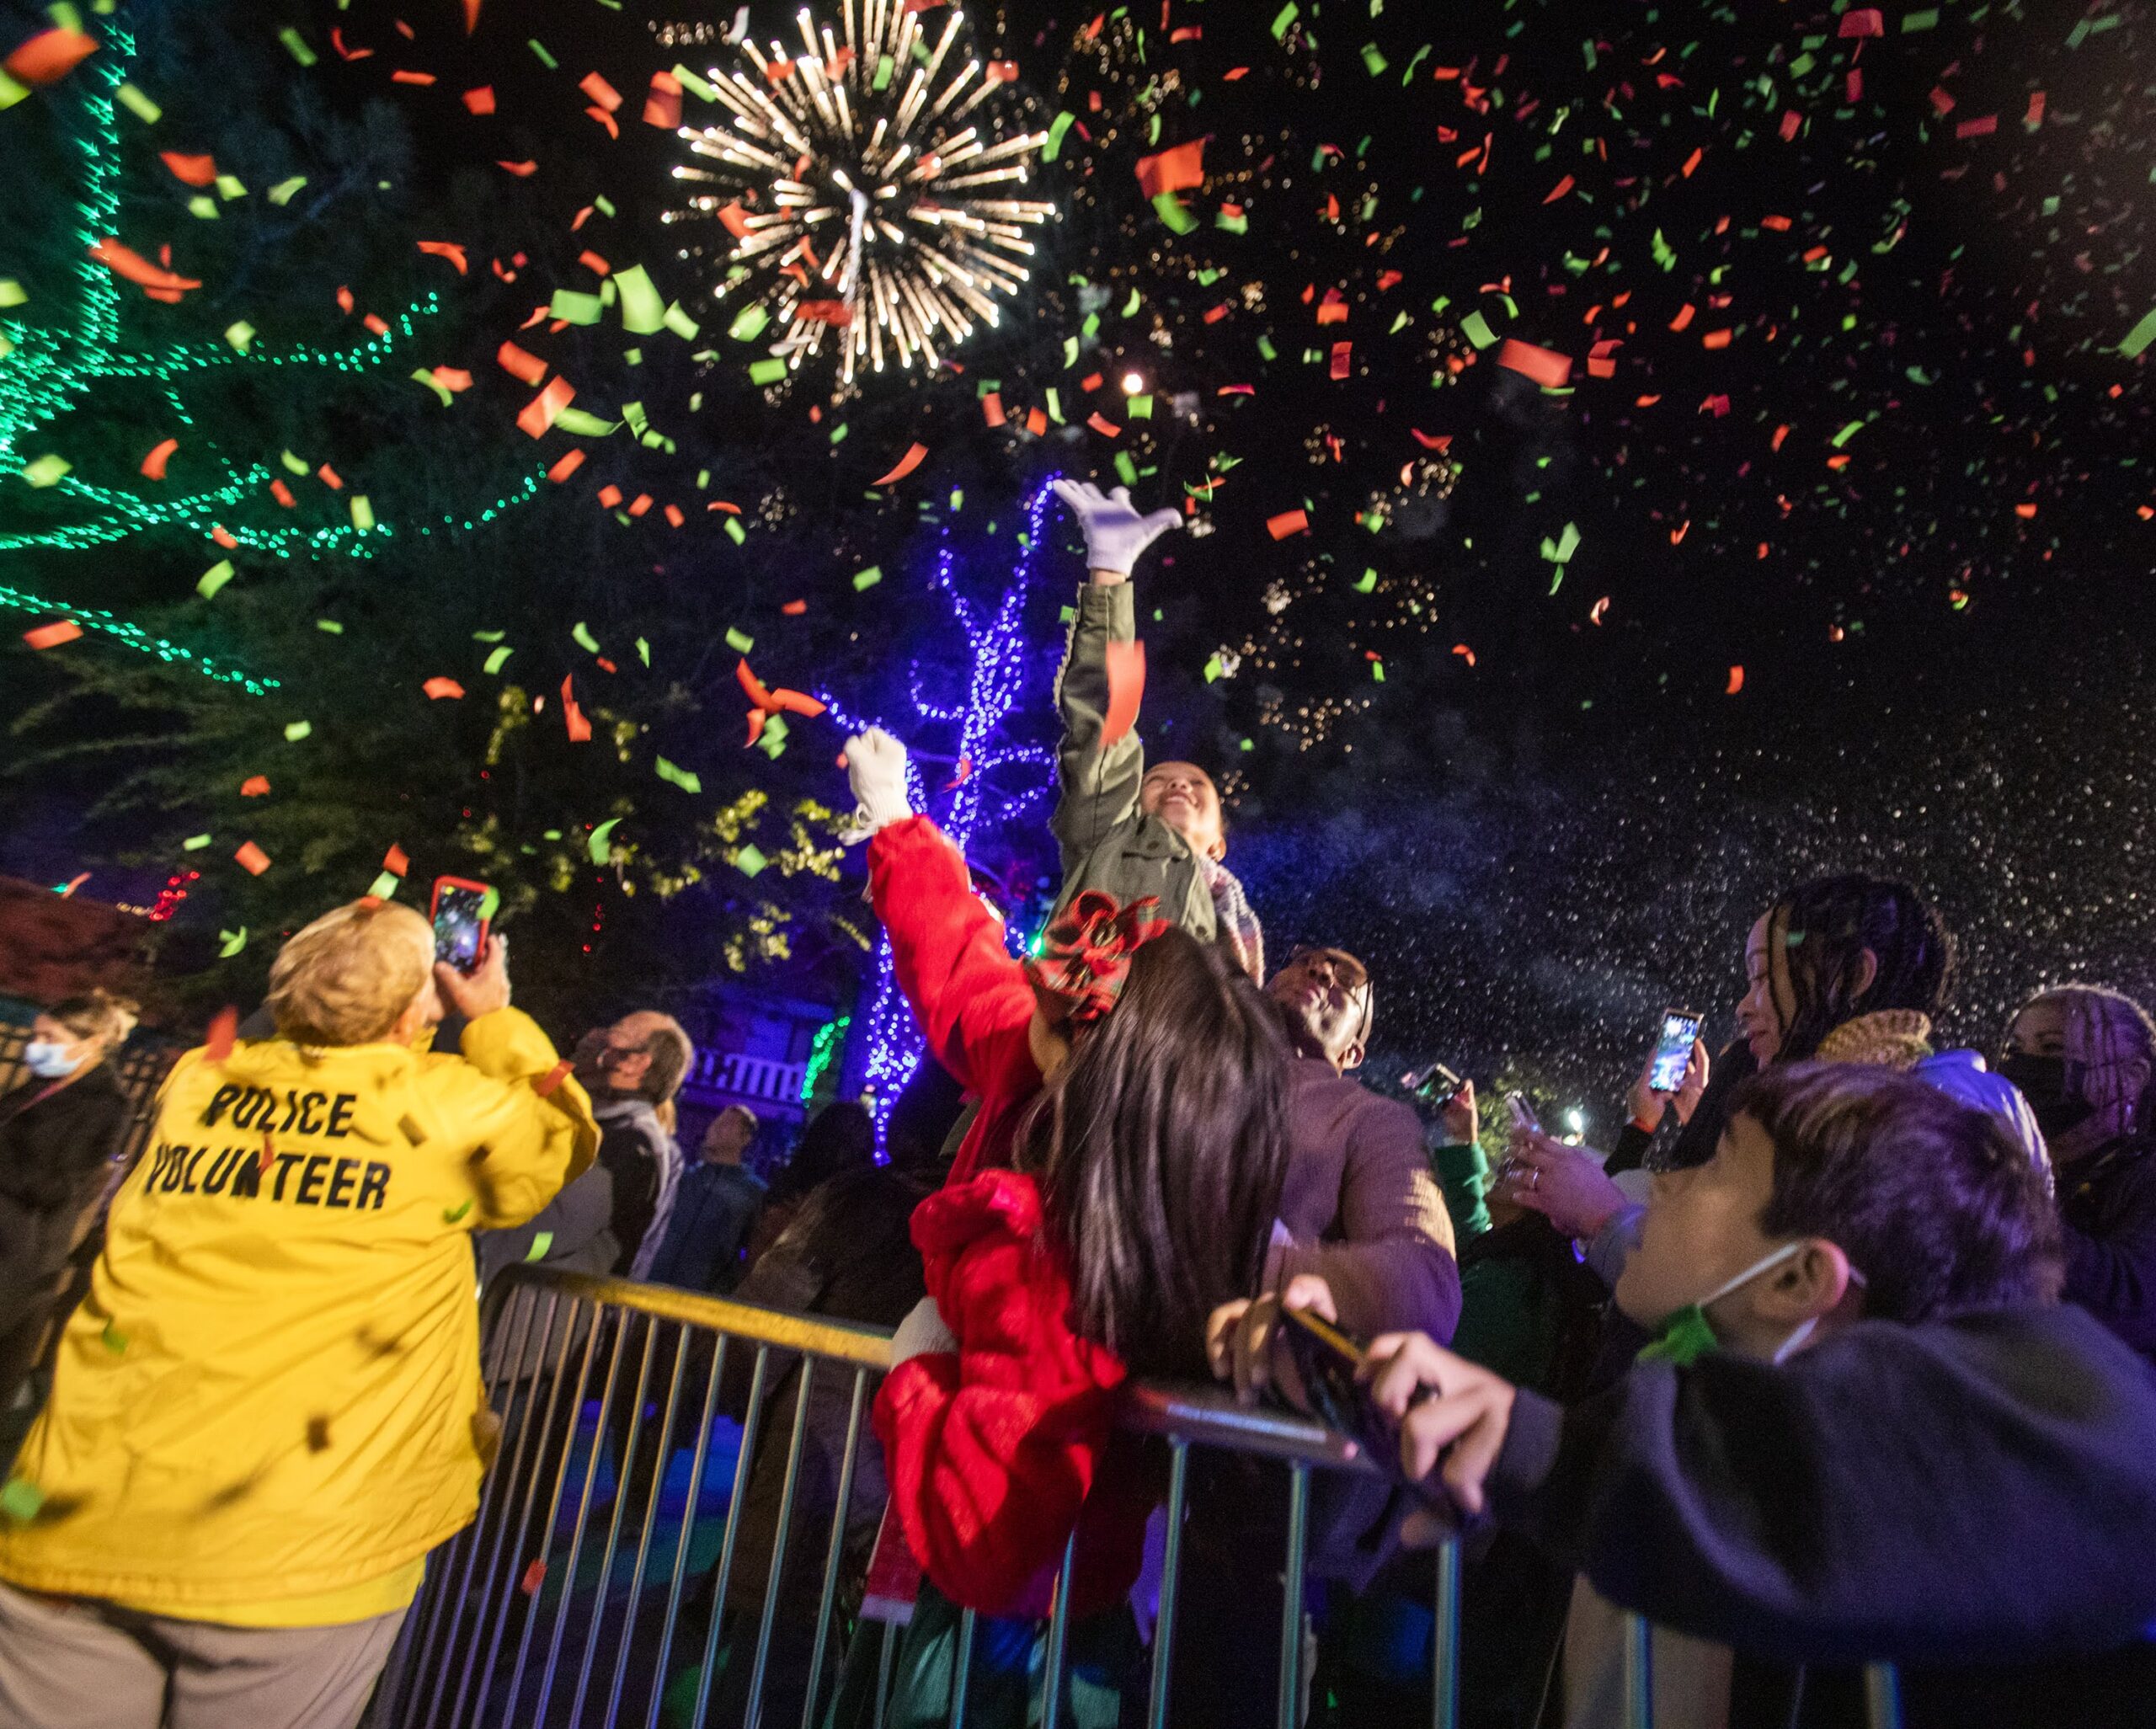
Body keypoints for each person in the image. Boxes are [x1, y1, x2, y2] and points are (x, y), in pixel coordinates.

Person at [1349, 1064, 2156, 1729]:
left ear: (1798, 1278)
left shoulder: (1906, 1588)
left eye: (1716, 1164)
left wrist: (1551, 1454)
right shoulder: (1670, 1425)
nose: (1659, 1184)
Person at [0, 901, 597, 1729]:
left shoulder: (198, 1085)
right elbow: (560, 1132)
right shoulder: (449, 1110)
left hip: (81, 1515)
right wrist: (491, 1017)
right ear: (409, 1009)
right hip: (299, 1556)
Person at [841, 726, 1292, 1727]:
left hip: (1027, 1600)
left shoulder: (1053, 1257)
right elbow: (963, 969)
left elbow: (986, 1534)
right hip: (1042, 1573)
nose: (1036, 977)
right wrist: (896, 826)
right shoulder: (1052, 1061)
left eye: (1054, 984)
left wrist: (919, 1374)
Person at [1049, 478, 1264, 980]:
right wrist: (1110, 574)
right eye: (1159, 779)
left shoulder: (1236, 924)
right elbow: (1108, 718)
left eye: (1197, 784)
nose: (1180, 785)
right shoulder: (1108, 834)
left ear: (1218, 843)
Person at [0, 990, 137, 1439]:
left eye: (49, 1036)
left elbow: (58, 1187)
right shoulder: (41, 1087)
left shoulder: (104, 1105)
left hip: (21, 1256)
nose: (36, 1046)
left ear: (92, 1041)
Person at [1999, 984, 2156, 1360]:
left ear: (2134, 1075)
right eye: (2016, 1050)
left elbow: (2134, 1305)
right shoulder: (2024, 1160)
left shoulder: (2146, 1174)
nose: (2023, 1067)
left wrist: (1996, 1201)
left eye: (2053, 1049)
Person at [569, 1010, 693, 1279]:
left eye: (616, 1032)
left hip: (542, 1308)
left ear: (635, 1064)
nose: (596, 1035)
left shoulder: (632, 1146)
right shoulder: (600, 1121)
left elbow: (552, 1228)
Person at [644, 1104, 763, 1294]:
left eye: (728, 1123)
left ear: (745, 1139)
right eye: (717, 1120)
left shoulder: (752, 1192)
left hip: (700, 1301)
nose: (716, 1126)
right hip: (649, 1287)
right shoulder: (684, 1178)